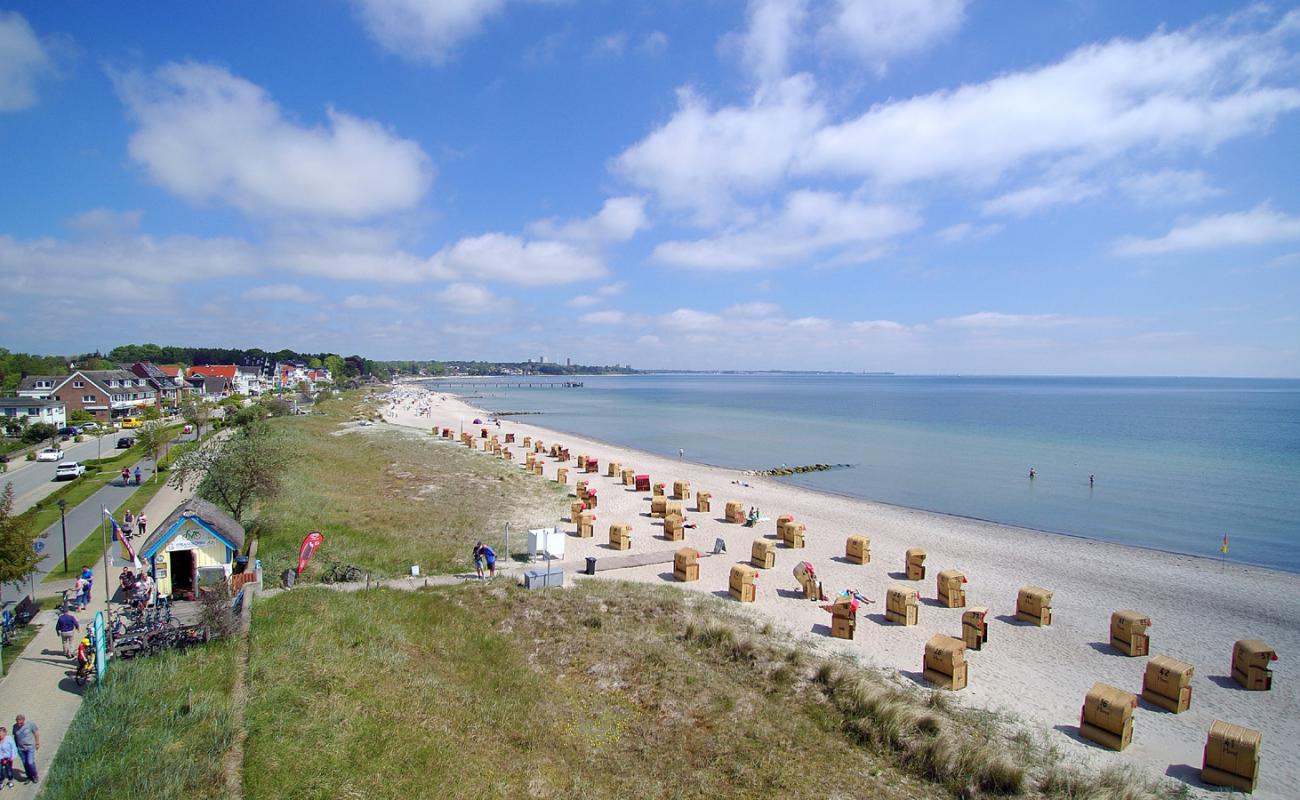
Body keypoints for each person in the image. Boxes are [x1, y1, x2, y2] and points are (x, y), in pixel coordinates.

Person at [11, 715, 37, 784]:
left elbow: (36, 733)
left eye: (21, 723)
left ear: (24, 720)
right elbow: (15, 736)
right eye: (17, 723)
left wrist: (37, 743)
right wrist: (16, 747)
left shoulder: (30, 724)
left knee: (30, 762)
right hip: (20, 748)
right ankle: (29, 776)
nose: (19, 725)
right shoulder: (15, 726)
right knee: (25, 763)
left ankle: (34, 775)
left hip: (29, 747)